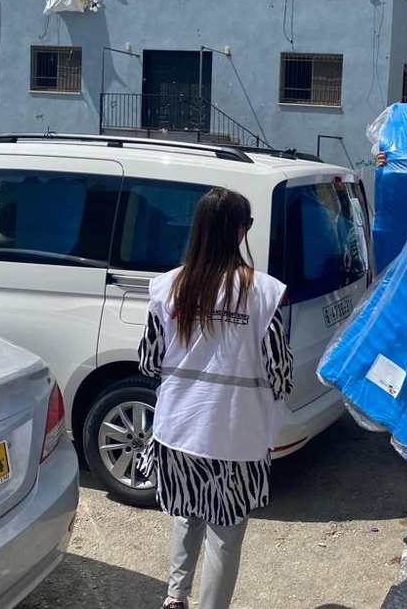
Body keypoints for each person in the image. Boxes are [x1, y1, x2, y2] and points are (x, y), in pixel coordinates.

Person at [138, 187, 293, 609]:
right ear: (241, 231)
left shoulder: (169, 287)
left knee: (186, 512)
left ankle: (175, 598)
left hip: (178, 428)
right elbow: (279, 369)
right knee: (225, 531)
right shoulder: (263, 293)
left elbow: (149, 360)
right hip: (236, 433)